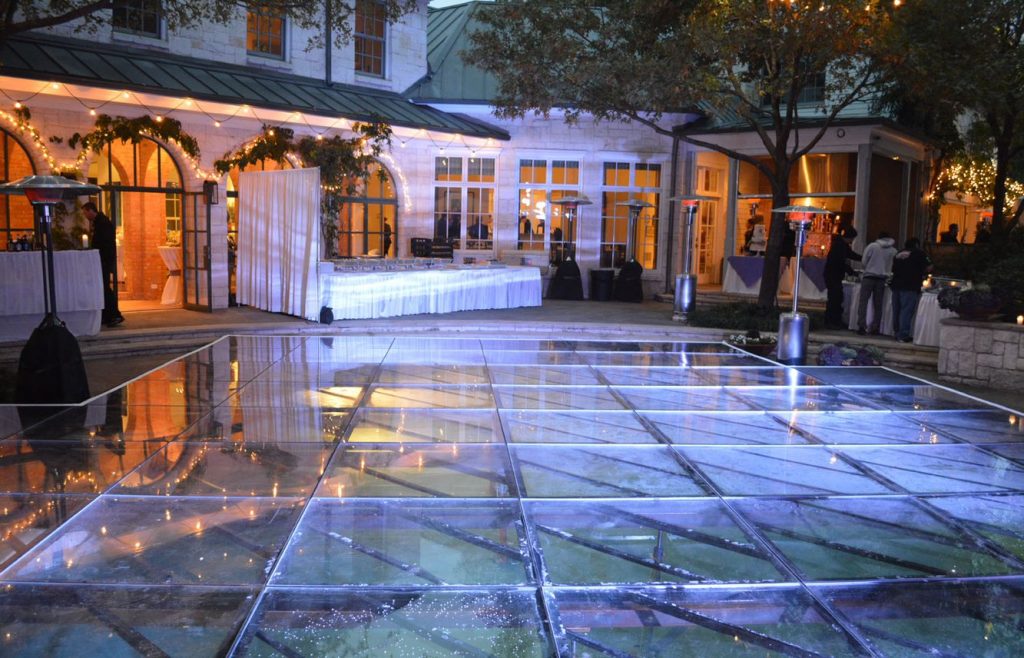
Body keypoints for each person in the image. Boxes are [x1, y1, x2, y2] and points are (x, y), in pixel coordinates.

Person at [83, 201, 124, 327]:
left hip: (103, 260)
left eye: (85, 213)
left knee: (105, 288)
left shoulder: (102, 223)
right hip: (102, 260)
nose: (85, 216)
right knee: (103, 288)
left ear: (90, 210)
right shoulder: (100, 222)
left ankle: (114, 315)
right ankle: (108, 315)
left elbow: (105, 244)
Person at [889, 237, 932, 343]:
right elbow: (930, 266)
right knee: (906, 311)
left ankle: (897, 332)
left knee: (897, 310)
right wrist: (923, 273)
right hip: (910, 285)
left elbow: (893, 269)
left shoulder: (898, 254)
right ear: (917, 245)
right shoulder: (920, 253)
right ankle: (903, 335)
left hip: (896, 284)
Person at [856, 231, 897, 335]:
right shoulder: (893, 250)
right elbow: (894, 265)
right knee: (878, 304)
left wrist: (867, 267)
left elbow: (864, 261)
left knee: (863, 302)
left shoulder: (872, 246)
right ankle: (875, 327)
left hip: (869, 276)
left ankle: (862, 325)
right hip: (882, 279)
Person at [823, 227, 860, 329]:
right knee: (835, 298)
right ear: (849, 237)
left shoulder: (842, 245)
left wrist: (862, 258)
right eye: (852, 239)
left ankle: (834, 320)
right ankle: (832, 321)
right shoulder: (839, 246)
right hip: (833, 275)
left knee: (837, 298)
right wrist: (851, 271)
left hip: (834, 275)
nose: (852, 241)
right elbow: (840, 263)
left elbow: (850, 254)